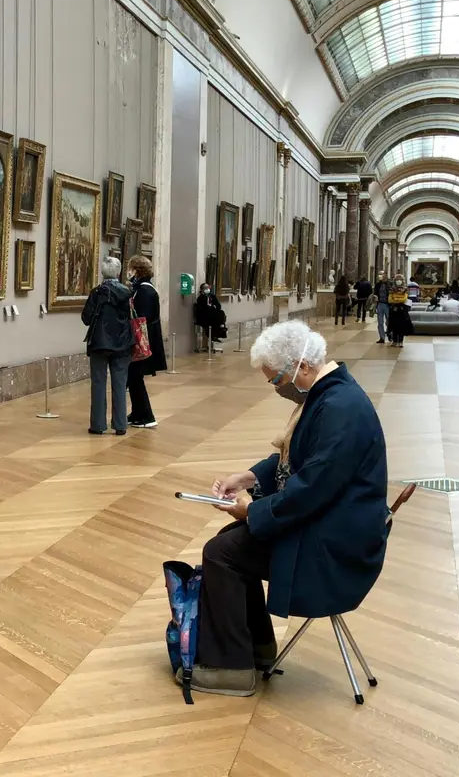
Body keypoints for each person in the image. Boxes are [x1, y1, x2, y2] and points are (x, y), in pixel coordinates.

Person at [183, 320, 389, 697]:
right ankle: (256, 649)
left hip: (337, 545)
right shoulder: (329, 394)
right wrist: (247, 479)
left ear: (302, 367)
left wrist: (252, 512)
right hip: (333, 523)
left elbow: (310, 489)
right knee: (230, 542)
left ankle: (233, 668)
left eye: (276, 379)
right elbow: (294, 459)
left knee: (222, 552)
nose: (276, 388)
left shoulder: (340, 407)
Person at [82, 256, 135, 436]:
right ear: (118, 272)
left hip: (99, 342)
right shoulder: (127, 293)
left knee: (98, 382)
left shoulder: (96, 292)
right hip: (122, 342)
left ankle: (98, 425)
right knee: (120, 383)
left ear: (102, 272)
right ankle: (120, 425)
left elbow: (86, 318)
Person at [126, 255, 166, 429]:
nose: (129, 272)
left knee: (135, 378)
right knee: (134, 377)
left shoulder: (145, 291)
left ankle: (147, 416)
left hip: (143, 342)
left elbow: (141, 319)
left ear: (137, 270)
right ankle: (137, 413)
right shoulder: (143, 289)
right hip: (145, 340)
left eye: (131, 268)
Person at [194, 283, 226, 352]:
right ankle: (216, 333)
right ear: (202, 290)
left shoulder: (212, 296)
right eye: (205, 288)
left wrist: (213, 307)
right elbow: (202, 309)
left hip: (212, 316)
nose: (207, 289)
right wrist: (211, 307)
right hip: (204, 317)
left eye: (207, 287)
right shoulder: (200, 298)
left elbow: (218, 306)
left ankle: (220, 329)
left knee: (221, 313)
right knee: (215, 319)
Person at [387, 274, 413, 348]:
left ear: (402, 280)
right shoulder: (392, 289)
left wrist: (396, 299)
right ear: (395, 281)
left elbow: (404, 299)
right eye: (397, 279)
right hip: (394, 310)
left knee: (401, 326)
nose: (399, 281)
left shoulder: (405, 289)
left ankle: (400, 341)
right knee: (394, 325)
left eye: (400, 279)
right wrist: (398, 300)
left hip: (402, 310)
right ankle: (394, 341)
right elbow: (390, 300)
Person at [372, 272, 391, 344]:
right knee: (380, 322)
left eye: (383, 275)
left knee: (389, 321)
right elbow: (375, 293)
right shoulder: (378, 284)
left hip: (387, 305)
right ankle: (382, 337)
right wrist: (375, 297)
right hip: (380, 304)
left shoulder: (389, 284)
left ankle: (390, 334)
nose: (382, 276)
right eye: (381, 275)